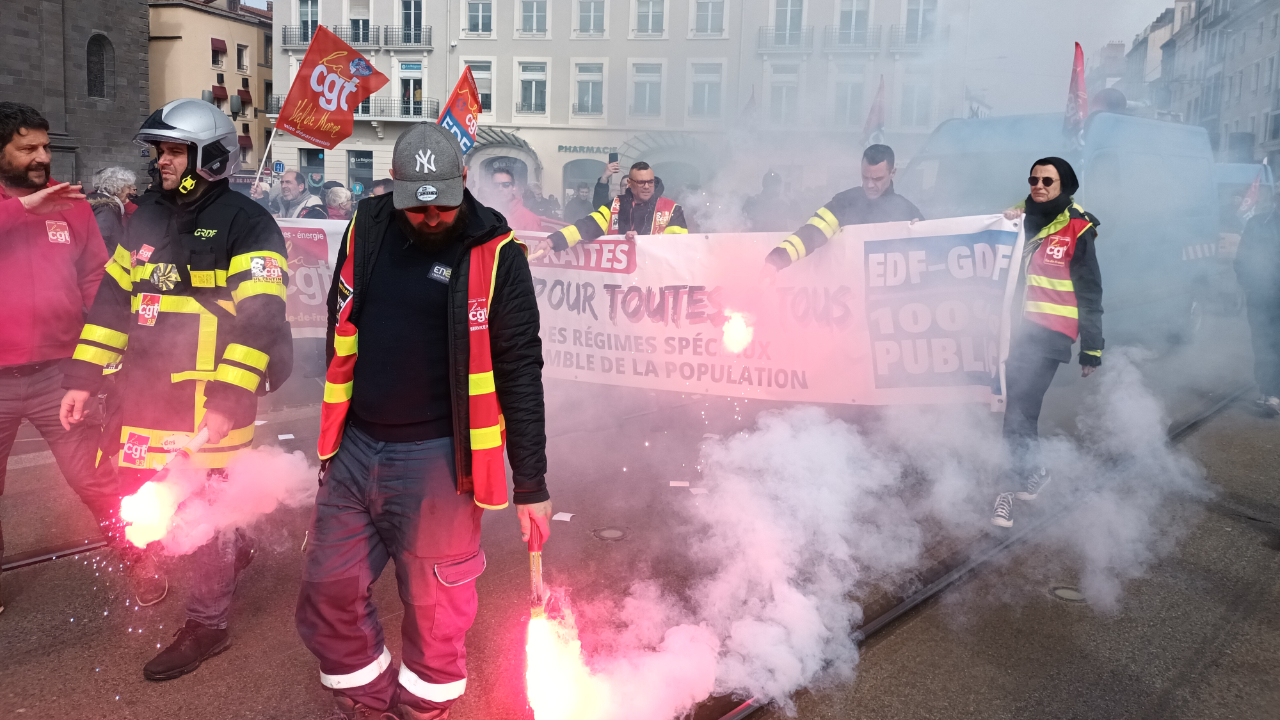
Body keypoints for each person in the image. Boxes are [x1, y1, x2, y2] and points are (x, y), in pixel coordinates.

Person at [295, 123, 552, 720]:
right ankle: (368, 702)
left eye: (443, 203)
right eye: (418, 206)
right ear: (395, 187)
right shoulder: (369, 225)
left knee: (437, 612)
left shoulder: (498, 253)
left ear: (463, 181)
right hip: (356, 447)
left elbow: (520, 370)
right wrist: (333, 434)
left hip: (440, 461)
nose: (432, 217)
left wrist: (532, 486)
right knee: (328, 589)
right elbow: (342, 321)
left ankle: (425, 711)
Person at [60, 98, 292, 679]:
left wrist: (230, 397)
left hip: (211, 398)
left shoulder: (249, 222)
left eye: (173, 150)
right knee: (150, 499)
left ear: (209, 158)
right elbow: (114, 302)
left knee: (203, 510)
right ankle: (233, 547)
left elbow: (260, 318)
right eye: (158, 151)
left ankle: (208, 623)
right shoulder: (145, 216)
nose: (161, 161)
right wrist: (84, 378)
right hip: (144, 394)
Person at [0, 102, 121, 614]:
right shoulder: (24, 205)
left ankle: (136, 553)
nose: (42, 157)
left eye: (46, 146)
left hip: (61, 376)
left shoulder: (73, 207)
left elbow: (96, 278)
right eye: (28, 148)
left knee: (93, 475)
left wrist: (107, 349)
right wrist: (22, 210)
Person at [991, 157, 1103, 529]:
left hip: (1052, 336)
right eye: (1034, 179)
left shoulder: (1078, 228)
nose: (1038, 186)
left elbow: (1090, 291)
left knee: (1017, 408)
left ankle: (1004, 492)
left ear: (1064, 186)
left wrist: (1092, 348)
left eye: (1047, 181)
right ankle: (1035, 469)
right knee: (1023, 409)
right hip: (1017, 333)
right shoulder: (1017, 219)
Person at [764, 145, 922, 272]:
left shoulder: (908, 212)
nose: (870, 184)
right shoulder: (845, 203)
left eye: (877, 179)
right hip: (847, 298)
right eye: (865, 177)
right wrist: (776, 260)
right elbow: (812, 233)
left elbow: (932, 257)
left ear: (893, 172)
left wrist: (919, 234)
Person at [539, 161, 689, 256]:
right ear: (630, 183)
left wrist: (642, 241)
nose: (647, 186)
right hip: (619, 284)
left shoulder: (672, 209)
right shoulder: (615, 206)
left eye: (650, 182)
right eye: (641, 182)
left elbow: (679, 247)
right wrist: (553, 241)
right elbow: (586, 226)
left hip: (655, 284)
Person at [1235, 184, 1280, 415]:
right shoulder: (1257, 224)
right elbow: (1242, 258)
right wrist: (1250, 285)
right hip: (1262, 296)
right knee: (1263, 344)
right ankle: (1270, 392)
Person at [88, 166, 138, 251]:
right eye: (128, 187)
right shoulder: (106, 209)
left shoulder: (102, 204)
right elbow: (98, 245)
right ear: (117, 187)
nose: (130, 191)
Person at [488, 167, 547, 232]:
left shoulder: (528, 218)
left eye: (506, 184)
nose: (500, 189)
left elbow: (533, 242)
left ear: (513, 187)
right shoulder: (485, 215)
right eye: (495, 185)